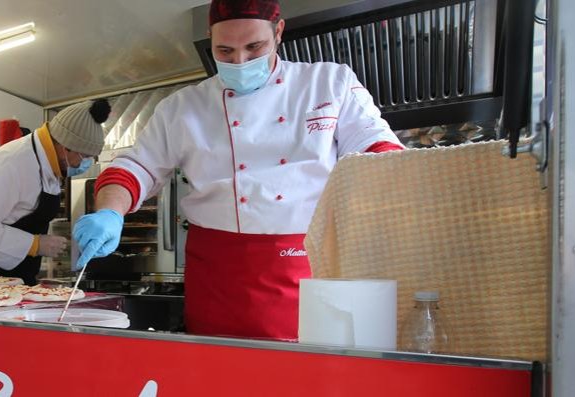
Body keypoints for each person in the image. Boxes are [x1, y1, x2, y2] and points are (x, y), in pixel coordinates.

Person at [74, 0, 404, 340]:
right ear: (210, 39)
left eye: (253, 47)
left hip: (305, 268)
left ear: (278, 32)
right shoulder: (182, 107)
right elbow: (134, 167)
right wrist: (110, 212)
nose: (240, 62)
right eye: (225, 51)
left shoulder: (328, 83)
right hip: (217, 275)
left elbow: (376, 148)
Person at [0, 99, 110, 286]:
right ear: (65, 146)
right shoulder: (14, 162)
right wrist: (34, 244)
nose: (86, 163)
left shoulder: (47, 163)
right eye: (85, 156)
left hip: (18, 279)